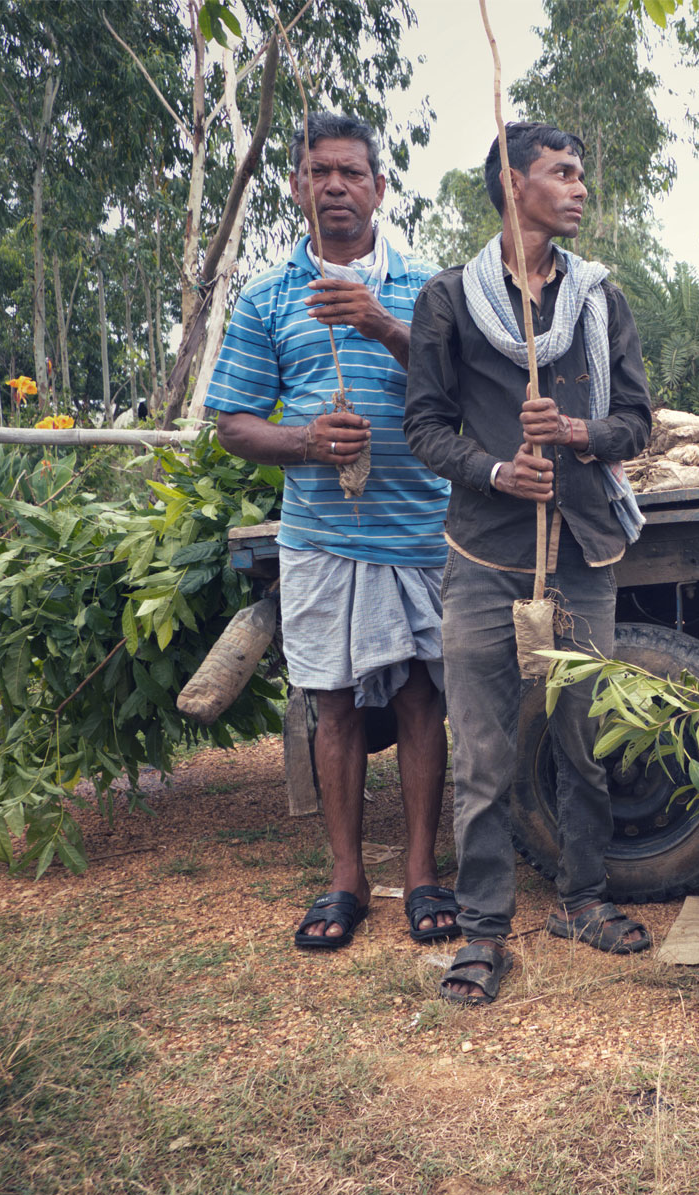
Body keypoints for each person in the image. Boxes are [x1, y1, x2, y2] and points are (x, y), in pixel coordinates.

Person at [404, 121, 654, 1004]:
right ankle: (481, 932)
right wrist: (497, 469)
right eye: (562, 173)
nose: (581, 188)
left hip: (581, 549)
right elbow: (425, 427)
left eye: (583, 173)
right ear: (514, 185)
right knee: (482, 752)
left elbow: (637, 421)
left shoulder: (597, 300)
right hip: (483, 554)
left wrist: (579, 433)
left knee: (582, 739)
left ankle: (581, 900)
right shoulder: (448, 300)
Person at [208, 112, 454, 952]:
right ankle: (346, 875)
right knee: (334, 709)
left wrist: (382, 326)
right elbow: (233, 423)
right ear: (296, 188)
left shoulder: (428, 289)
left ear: (381, 189)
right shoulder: (271, 297)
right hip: (320, 537)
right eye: (319, 172)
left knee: (424, 700)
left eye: (352, 172)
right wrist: (306, 443)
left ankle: (423, 871)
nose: (336, 186)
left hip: (423, 532)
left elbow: (466, 393)